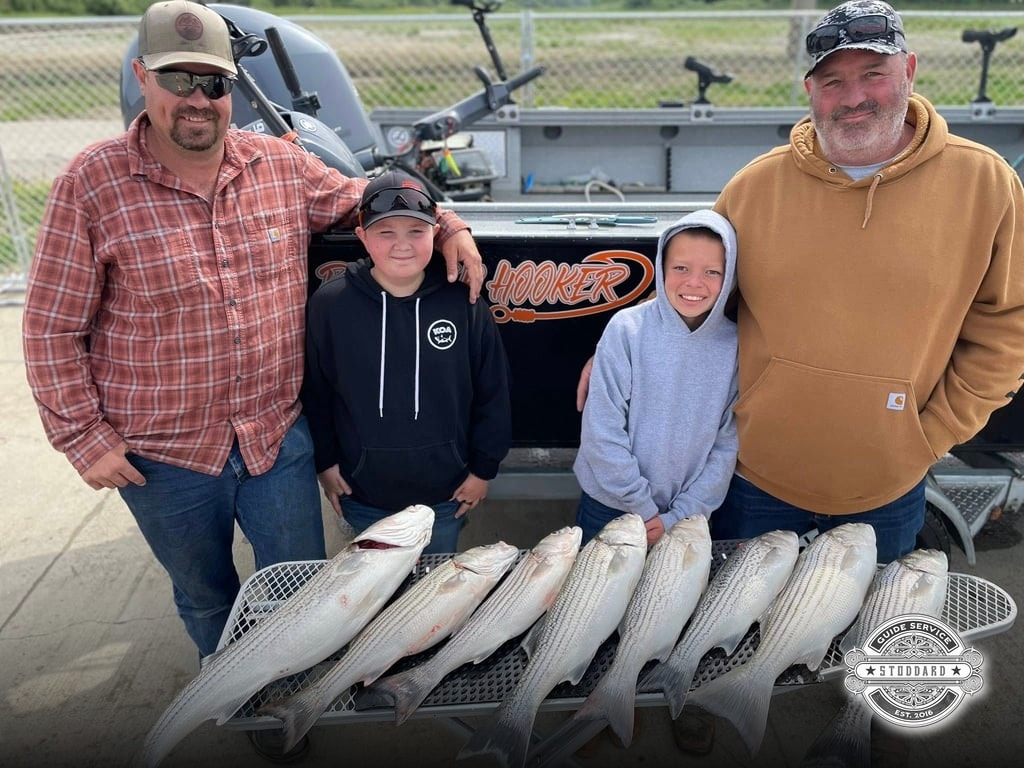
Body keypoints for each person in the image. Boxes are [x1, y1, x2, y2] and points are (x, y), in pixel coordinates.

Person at [21, 0, 485, 660]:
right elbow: (50, 329)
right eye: (178, 79)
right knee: (207, 593)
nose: (197, 99)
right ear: (142, 77)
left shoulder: (281, 165)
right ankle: (235, 689)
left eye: (213, 83)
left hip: (275, 442)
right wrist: (82, 437)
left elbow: (371, 197)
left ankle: (288, 686)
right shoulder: (90, 185)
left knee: (295, 588)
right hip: (163, 457)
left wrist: (449, 223)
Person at [578, 0, 1024, 567]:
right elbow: (697, 288)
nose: (854, 96)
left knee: (860, 642)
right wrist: (634, 345)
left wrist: (927, 436)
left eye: (873, 75)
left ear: (909, 71)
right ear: (809, 90)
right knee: (737, 645)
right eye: (833, 81)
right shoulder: (755, 187)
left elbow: (1007, 324)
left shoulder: (985, 184)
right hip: (755, 479)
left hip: (886, 486)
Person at [301, 170, 512, 555]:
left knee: (433, 595)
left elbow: (492, 392)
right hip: (364, 493)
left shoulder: (462, 304)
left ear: (435, 234)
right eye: (386, 232)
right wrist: (325, 462)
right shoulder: (331, 305)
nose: (402, 245)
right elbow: (317, 392)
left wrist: (484, 469)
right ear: (362, 236)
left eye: (416, 231)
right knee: (375, 598)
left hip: (445, 494)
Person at [574, 210, 738, 547]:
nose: (694, 283)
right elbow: (601, 429)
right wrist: (643, 508)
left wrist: (680, 516)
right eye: (681, 268)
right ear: (661, 266)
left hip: (687, 518)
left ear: (730, 276)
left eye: (712, 272)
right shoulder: (627, 328)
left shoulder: (736, 345)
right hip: (611, 507)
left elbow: (727, 444)